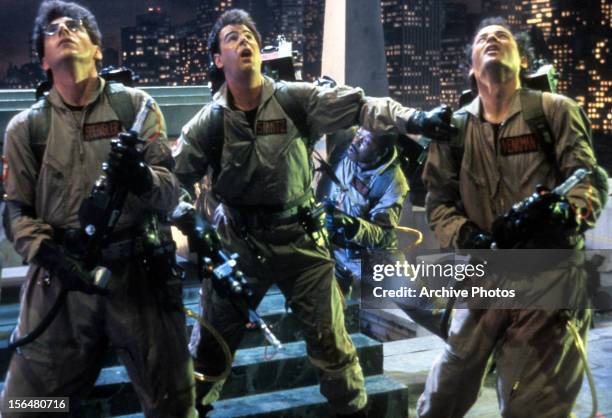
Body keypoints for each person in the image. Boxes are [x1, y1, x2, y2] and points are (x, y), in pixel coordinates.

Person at [173, 9, 456, 417]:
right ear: (218, 59)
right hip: (237, 244)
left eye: (250, 34)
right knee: (208, 354)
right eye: (232, 37)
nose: (244, 41)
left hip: (302, 244)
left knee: (334, 349)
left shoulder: (294, 100)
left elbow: (361, 106)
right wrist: (190, 220)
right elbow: (172, 179)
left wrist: (415, 119)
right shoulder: (209, 123)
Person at [0, 2, 195, 416]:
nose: (65, 31)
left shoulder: (136, 109)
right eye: (53, 30)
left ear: (99, 50)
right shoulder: (26, 129)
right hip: (61, 284)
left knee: (171, 402)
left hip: (140, 277)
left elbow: (171, 190)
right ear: (42, 59)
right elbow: (15, 212)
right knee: (27, 406)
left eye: (76, 26)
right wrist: (51, 254)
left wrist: (144, 178)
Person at [418, 17, 602, 417]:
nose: (493, 39)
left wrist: (564, 213)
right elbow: (438, 201)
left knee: (533, 405)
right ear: (471, 67)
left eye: (503, 37)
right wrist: (465, 235)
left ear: (522, 61)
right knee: (442, 396)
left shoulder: (554, 111)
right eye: (483, 37)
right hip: (483, 279)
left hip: (548, 280)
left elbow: (588, 179)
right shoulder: (454, 130)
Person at [323, 127, 408, 295]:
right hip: (332, 248)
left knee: (420, 303)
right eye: (358, 134)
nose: (356, 141)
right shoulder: (345, 146)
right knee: (327, 308)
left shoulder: (393, 182)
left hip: (369, 256)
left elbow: (382, 235)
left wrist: (351, 225)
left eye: (366, 141)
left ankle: (454, 316)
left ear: (381, 152)